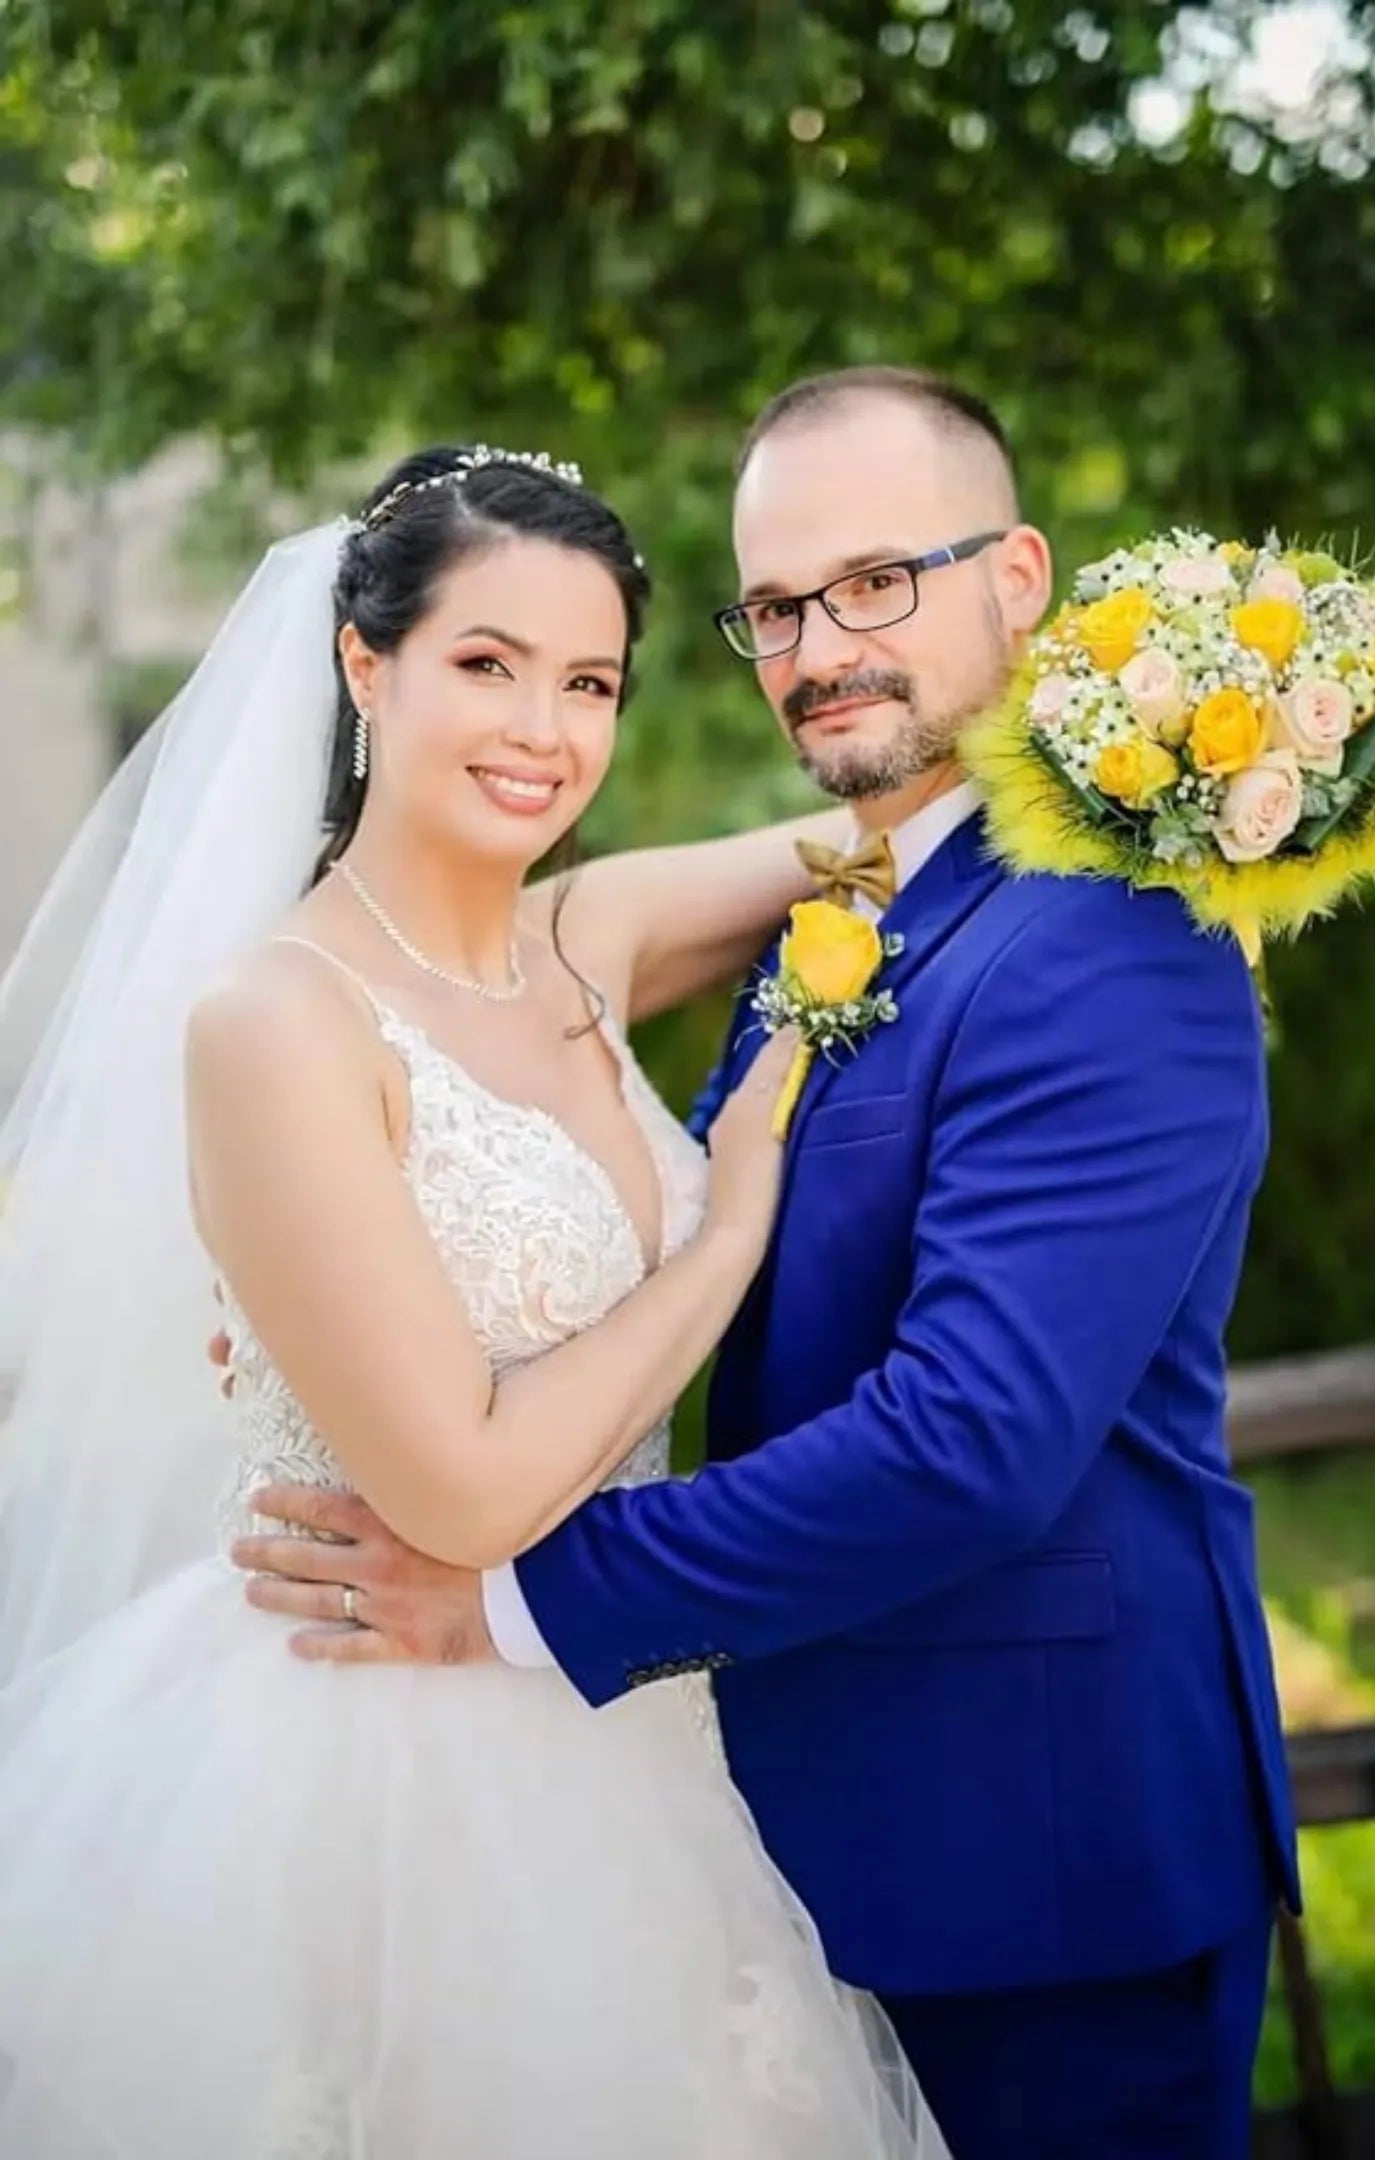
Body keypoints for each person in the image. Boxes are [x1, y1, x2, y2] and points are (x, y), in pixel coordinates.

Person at [243, 372, 1300, 2160]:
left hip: (1039, 1873)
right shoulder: (874, 901)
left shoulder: (1111, 936)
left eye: (878, 581)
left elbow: (970, 1441)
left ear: (1021, 577)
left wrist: (505, 1601)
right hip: (786, 1844)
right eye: (777, 610)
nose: (821, 646)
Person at [0, 445, 950, 2157]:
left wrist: (1171, 731)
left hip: (634, 1736)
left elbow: (900, 833)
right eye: (486, 665)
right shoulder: (277, 1021)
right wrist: (722, 1239)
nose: (544, 731)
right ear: (368, 667)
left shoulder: (588, 937)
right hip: (374, 1767)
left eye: (587, 682)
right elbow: (469, 1486)